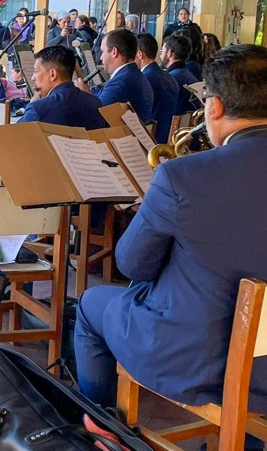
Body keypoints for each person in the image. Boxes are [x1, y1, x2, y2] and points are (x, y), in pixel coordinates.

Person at [74, 45, 267, 449]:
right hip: (263, 366)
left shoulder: (183, 176)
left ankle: (104, 431)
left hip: (197, 362)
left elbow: (132, 265)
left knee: (90, 306)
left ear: (214, 107)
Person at [74, 28, 154, 122]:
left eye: (103, 51)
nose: (101, 57)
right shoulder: (136, 75)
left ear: (114, 52)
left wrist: (84, 94)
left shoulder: (119, 83)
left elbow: (97, 116)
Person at [19, 46, 106, 130]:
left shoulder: (37, 108)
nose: (32, 78)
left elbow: (15, 134)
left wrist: (30, 108)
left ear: (52, 74)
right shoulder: (95, 102)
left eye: (36, 71)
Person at [135, 33, 179, 143]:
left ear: (140, 54)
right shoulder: (169, 77)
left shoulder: (145, 79)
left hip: (153, 139)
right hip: (167, 135)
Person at [160, 34, 201, 116]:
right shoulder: (190, 75)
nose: (160, 56)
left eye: (162, 51)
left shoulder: (169, 79)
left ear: (170, 53)